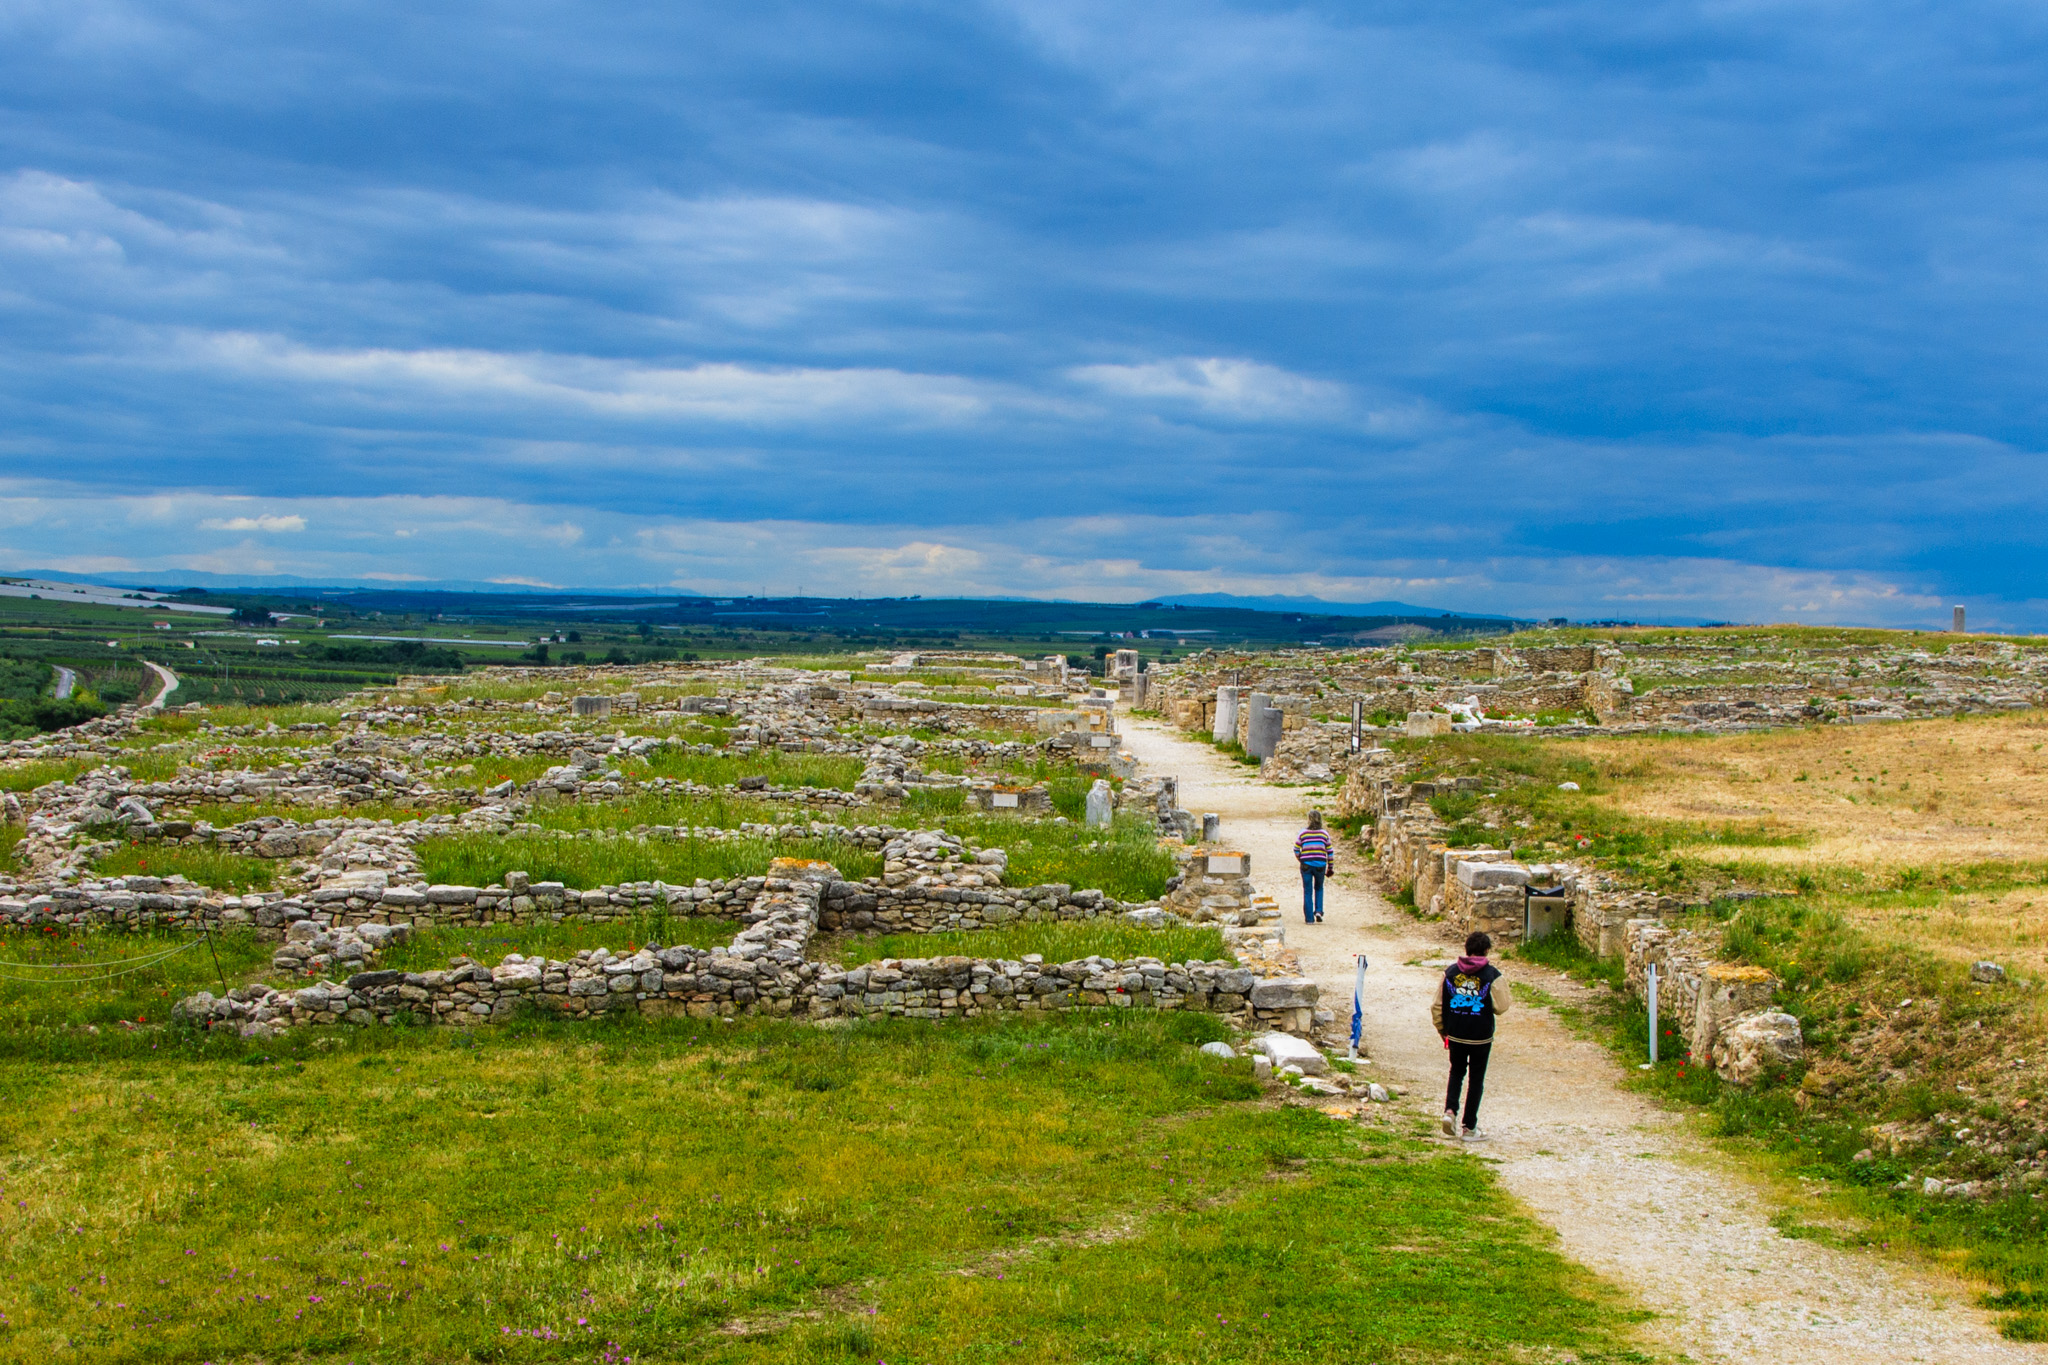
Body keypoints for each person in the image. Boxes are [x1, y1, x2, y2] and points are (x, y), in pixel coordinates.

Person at [1431, 931, 1512, 1141]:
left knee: (1456, 1073)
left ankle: (1450, 1111)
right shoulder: (1491, 975)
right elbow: (1502, 1006)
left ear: (1466, 949)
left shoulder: (1450, 973)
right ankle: (1470, 1127)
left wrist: (1443, 1030)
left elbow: (1437, 1005)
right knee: (1476, 1079)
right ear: (1486, 951)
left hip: (1456, 1034)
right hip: (1481, 1036)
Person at [1292, 812, 1333, 923]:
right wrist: (1330, 867)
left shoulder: (1303, 833)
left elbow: (1296, 849)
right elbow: (1330, 851)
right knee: (1319, 888)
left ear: (1309, 820)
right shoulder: (1324, 834)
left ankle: (1309, 918)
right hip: (1320, 865)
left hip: (1306, 865)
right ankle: (1319, 911)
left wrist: (1301, 859)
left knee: (1307, 891)